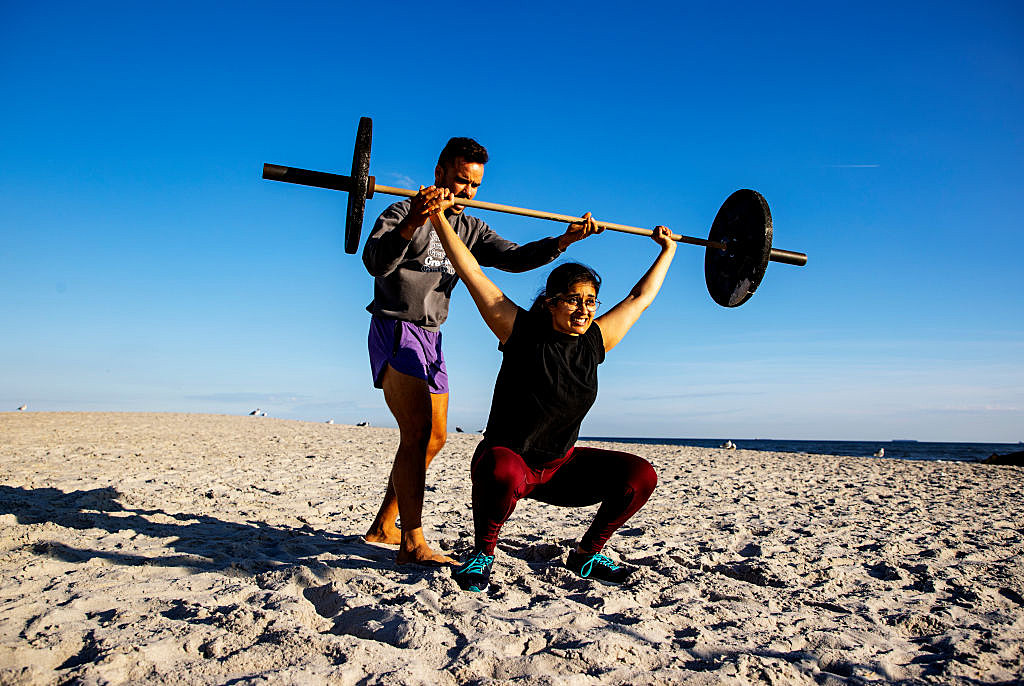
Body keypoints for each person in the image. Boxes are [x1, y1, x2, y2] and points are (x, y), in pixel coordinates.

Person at [361, 137, 600, 565]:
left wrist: (563, 242)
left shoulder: (470, 229)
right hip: (396, 325)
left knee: (434, 440)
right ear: (438, 174)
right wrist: (414, 221)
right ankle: (411, 543)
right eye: (459, 181)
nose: (466, 193)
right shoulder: (401, 210)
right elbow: (376, 262)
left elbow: (514, 258)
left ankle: (384, 522)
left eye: (474, 185)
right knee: (414, 436)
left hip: (433, 337)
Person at [425, 190, 677, 592]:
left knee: (640, 475)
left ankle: (586, 554)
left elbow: (639, 299)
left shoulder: (595, 341)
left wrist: (667, 250)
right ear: (550, 302)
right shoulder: (519, 330)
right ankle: (482, 555)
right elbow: (471, 270)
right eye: (573, 301)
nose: (584, 310)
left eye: (591, 301)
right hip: (509, 464)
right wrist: (438, 218)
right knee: (501, 470)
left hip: (559, 468)